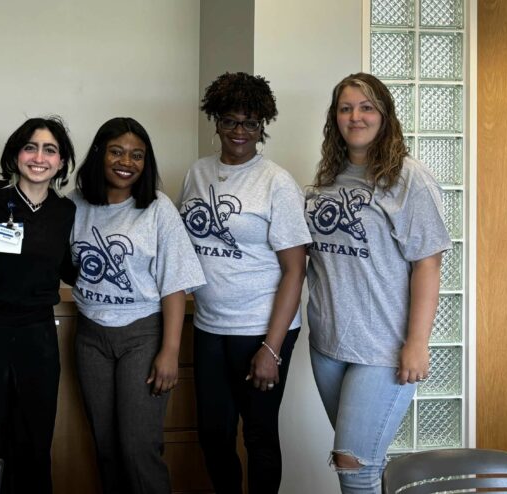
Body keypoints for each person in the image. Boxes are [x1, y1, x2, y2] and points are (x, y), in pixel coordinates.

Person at [306, 72, 450, 493]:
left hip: (382, 348)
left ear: (384, 115)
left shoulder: (407, 177)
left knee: (354, 465)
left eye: (367, 107)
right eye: (346, 108)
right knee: (364, 459)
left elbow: (428, 264)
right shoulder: (328, 177)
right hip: (328, 346)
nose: (356, 116)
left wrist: (417, 343)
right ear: (335, 117)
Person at [177, 72, 311, 494]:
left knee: (259, 436)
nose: (239, 132)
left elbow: (295, 269)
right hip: (209, 327)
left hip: (260, 330)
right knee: (213, 436)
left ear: (262, 126)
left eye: (250, 123)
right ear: (215, 121)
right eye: (230, 120)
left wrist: (271, 349)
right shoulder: (197, 173)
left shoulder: (277, 182)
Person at [70, 117, 206, 494]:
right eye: (116, 151)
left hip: (142, 337)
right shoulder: (76, 205)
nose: (125, 161)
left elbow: (175, 284)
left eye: (137, 155)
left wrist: (170, 352)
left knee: (139, 447)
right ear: (99, 154)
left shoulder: (158, 209)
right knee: (106, 447)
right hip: (89, 337)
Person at [0, 117, 77, 493]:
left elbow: (68, 269)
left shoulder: (65, 212)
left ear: (61, 162)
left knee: (34, 434)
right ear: (15, 154)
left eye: (50, 150)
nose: (39, 157)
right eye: (31, 147)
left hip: (38, 337)